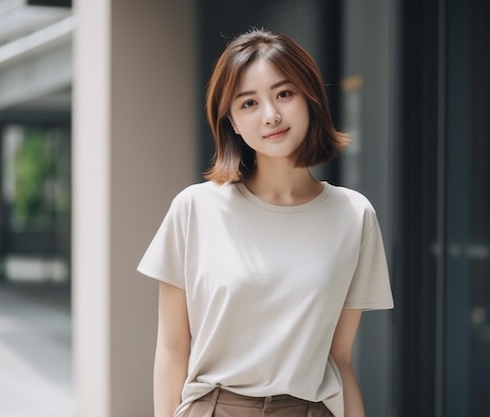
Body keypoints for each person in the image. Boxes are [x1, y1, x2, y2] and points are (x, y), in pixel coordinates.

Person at [138, 28, 394, 417]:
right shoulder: (194, 209)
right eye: (249, 103)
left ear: (309, 98)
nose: (271, 115)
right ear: (233, 123)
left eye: (284, 94)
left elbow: (339, 361)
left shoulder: (354, 216)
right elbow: (172, 352)